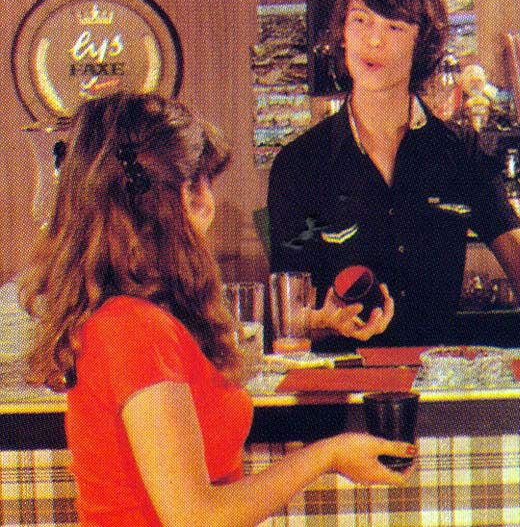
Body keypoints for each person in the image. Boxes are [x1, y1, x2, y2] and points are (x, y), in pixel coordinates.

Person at [19, 92, 415, 526]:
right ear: (171, 199)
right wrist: (329, 454)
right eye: (199, 181)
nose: (209, 204)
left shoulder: (141, 315)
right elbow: (195, 516)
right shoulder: (133, 327)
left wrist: (315, 323)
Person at [268, 0, 520, 351]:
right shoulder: (299, 164)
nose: (373, 40)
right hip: (341, 379)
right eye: (360, 20)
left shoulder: (461, 153)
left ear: (422, 43)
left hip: (435, 376)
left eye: (394, 27)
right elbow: (287, 309)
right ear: (342, 34)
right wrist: (324, 322)